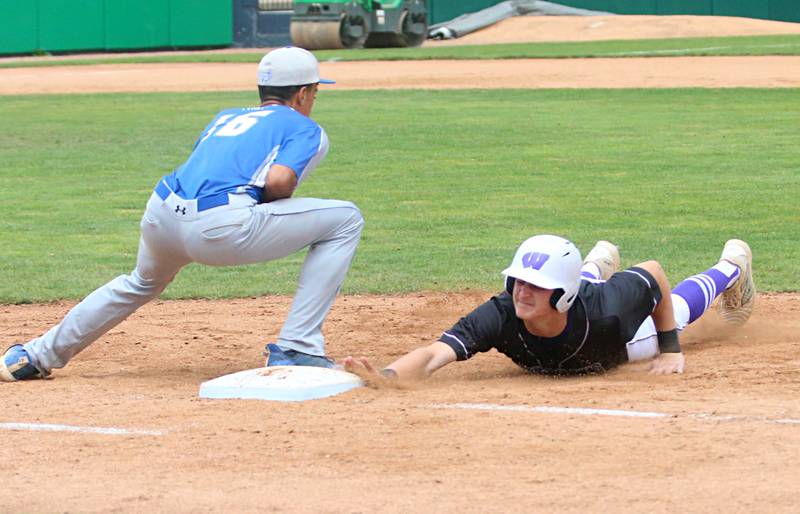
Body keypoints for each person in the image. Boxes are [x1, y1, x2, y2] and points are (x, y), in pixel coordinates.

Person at [1, 47, 364, 382]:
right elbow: (280, 180)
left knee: (139, 283)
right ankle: (297, 347)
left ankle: (32, 356)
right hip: (219, 229)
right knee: (346, 218)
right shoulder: (305, 128)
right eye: (315, 91)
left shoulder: (226, 117)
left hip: (161, 215)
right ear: (302, 94)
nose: (314, 99)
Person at [344, 235, 755, 382]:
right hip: (580, 297)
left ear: (559, 293)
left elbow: (654, 274)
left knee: (679, 310)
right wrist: (387, 375)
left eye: (536, 286)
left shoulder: (608, 312)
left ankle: (731, 268)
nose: (522, 291)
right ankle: (594, 263)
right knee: (585, 287)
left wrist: (670, 348)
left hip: (621, 346)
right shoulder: (502, 314)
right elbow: (436, 353)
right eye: (519, 280)